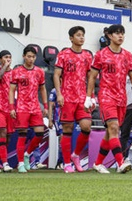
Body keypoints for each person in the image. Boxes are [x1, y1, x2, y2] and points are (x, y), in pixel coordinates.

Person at [85, 24, 132, 174]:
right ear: (110, 36)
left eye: (122, 34)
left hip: (121, 98)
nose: (120, 36)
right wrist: (88, 96)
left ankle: (98, 163)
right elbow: (92, 76)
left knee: (111, 131)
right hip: (106, 96)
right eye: (117, 33)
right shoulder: (100, 55)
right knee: (113, 128)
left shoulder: (128, 55)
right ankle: (121, 162)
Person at [53, 26, 94, 173]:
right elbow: (56, 75)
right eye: (78, 35)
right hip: (68, 97)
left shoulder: (88, 56)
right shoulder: (63, 55)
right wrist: (59, 94)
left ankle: (75, 155)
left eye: (83, 35)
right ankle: (66, 163)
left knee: (86, 127)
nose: (81, 38)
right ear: (71, 38)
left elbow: (91, 77)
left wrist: (91, 97)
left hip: (82, 98)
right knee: (67, 129)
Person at [10, 46, 49, 173]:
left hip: (35, 107)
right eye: (28, 56)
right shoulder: (17, 71)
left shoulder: (39, 71)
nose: (31, 59)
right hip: (22, 107)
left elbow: (43, 89)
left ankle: (27, 154)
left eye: (33, 57)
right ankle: (20, 163)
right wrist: (12, 107)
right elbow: (11, 90)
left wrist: (45, 105)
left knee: (39, 133)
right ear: (23, 56)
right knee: (22, 135)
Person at [0, 50, 14, 172]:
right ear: (0, 59)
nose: (8, 59)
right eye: (6, 57)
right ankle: (5, 163)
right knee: (2, 133)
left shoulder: (15, 73)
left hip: (10, 109)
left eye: (10, 57)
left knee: (8, 138)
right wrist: (4, 66)